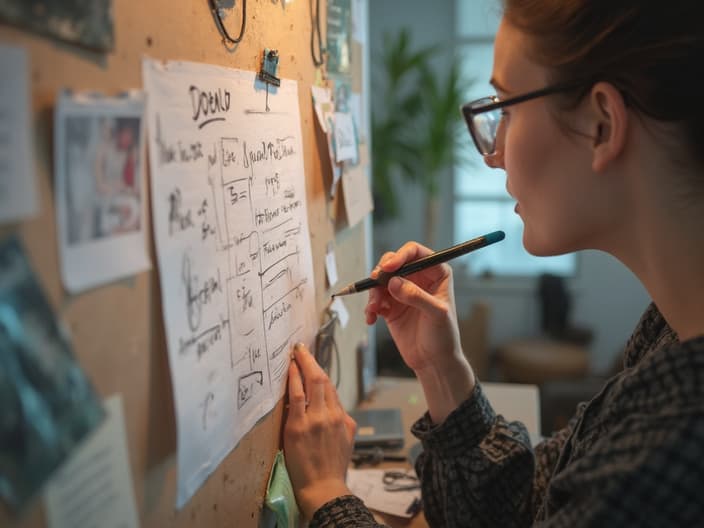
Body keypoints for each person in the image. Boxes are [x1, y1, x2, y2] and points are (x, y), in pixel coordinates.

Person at [283, 0, 704, 525]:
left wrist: (327, 495)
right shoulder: (671, 329)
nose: (494, 152)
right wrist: (442, 371)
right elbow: (529, 505)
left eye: (505, 107)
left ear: (601, 124)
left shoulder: (671, 442)